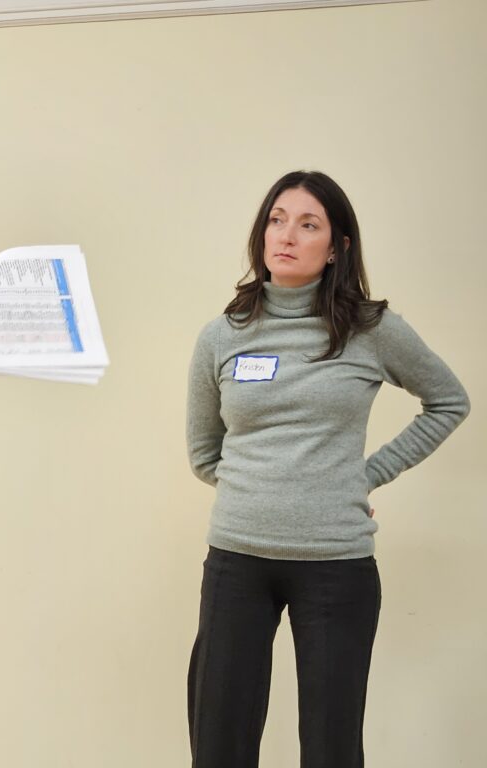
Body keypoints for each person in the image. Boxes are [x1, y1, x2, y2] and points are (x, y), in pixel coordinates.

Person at [185, 170, 470, 768]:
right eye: (276, 219)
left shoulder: (372, 330)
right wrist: (262, 489)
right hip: (237, 565)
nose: (286, 234)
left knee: (332, 749)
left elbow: (448, 401)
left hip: (336, 567)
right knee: (219, 746)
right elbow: (205, 453)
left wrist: (363, 476)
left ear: (338, 247)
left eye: (308, 224)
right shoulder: (221, 336)